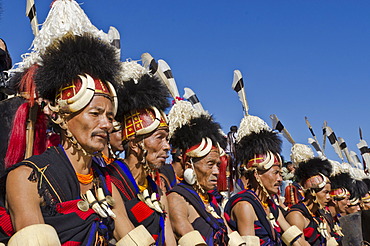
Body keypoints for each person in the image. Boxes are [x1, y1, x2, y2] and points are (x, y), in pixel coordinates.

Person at [104, 60, 176, 245]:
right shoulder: (109, 180)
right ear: (136, 144)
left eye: (167, 139)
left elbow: (169, 239)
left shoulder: (157, 190)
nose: (167, 146)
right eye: (159, 137)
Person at [224, 115, 306, 246]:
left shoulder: (271, 205)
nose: (280, 179)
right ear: (256, 174)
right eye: (275, 173)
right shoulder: (245, 205)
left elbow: (297, 241)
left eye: (280, 173)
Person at [167, 98, 229, 245]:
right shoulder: (177, 199)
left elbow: (231, 236)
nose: (216, 171)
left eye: (218, 165)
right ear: (189, 165)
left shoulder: (211, 200)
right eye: (210, 164)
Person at [286, 157, 338, 245]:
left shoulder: (321, 215)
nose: (329, 197)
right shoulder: (296, 215)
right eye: (325, 192)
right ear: (312, 192)